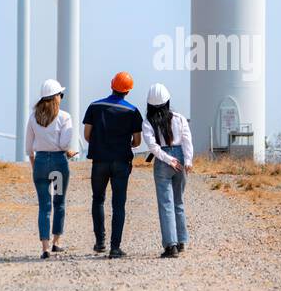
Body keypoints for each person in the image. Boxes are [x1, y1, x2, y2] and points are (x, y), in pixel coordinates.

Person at [83, 71, 143, 258]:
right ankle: (115, 248)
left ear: (111, 85)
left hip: (99, 160)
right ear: (128, 91)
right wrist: (128, 143)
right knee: (118, 205)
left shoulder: (94, 106)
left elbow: (86, 135)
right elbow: (137, 141)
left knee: (98, 199)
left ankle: (100, 242)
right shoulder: (132, 111)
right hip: (121, 162)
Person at [25, 79, 77, 260]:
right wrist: (68, 151)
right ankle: (56, 242)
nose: (61, 97)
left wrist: (34, 167)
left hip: (40, 164)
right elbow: (64, 144)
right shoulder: (64, 117)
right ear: (56, 97)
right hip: (58, 165)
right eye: (60, 95)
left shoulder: (33, 117)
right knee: (59, 202)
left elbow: (28, 148)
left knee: (44, 206)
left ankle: (45, 248)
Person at [142, 83, 193, 258]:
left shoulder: (148, 122)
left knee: (166, 204)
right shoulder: (179, 118)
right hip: (180, 158)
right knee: (178, 201)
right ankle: (181, 241)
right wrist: (188, 160)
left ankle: (170, 246)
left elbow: (153, 147)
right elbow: (187, 140)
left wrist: (168, 159)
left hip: (164, 161)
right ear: (167, 101)